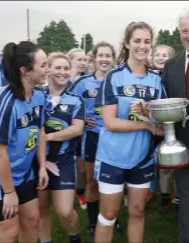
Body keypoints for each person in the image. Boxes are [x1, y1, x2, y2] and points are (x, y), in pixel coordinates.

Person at [0, 41, 49, 243]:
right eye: (43, 65)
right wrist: (9, 192)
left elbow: (39, 130)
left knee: (32, 219)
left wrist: (41, 167)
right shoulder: (5, 103)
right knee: (9, 233)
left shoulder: (39, 95)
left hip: (21, 172)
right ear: (25, 71)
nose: (47, 69)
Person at [94, 22, 164, 243]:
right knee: (108, 215)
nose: (142, 46)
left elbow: (160, 124)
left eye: (146, 41)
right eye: (137, 41)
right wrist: (145, 125)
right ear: (127, 43)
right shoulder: (114, 77)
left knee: (137, 212)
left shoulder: (156, 80)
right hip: (112, 158)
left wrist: (148, 114)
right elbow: (110, 122)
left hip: (142, 159)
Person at [69, 41, 122, 242]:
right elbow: (69, 102)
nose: (104, 59)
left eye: (108, 56)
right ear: (94, 58)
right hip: (92, 137)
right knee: (92, 181)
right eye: (101, 55)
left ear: (113, 59)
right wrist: (81, 119)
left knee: (114, 181)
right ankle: (93, 223)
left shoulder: (118, 80)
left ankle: (112, 218)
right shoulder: (82, 83)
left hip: (115, 137)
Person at [38, 52, 85, 243]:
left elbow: (77, 129)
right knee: (41, 209)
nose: (62, 72)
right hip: (37, 161)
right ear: (47, 68)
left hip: (63, 160)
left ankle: (74, 237)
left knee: (65, 212)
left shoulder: (75, 99)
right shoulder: (35, 96)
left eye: (66, 68)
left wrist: (48, 137)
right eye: (58, 67)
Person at [162, 8, 189, 243]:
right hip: (183, 145)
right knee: (187, 199)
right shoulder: (171, 65)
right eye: (184, 31)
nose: (188, 35)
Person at [148, 44, 177, 209]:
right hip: (151, 126)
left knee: (169, 164)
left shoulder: (174, 75)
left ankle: (173, 196)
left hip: (170, 124)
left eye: (164, 55)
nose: (160, 57)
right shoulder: (148, 76)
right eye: (157, 54)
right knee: (154, 161)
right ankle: (160, 193)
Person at [67, 48, 87, 209]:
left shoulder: (86, 80)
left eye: (84, 59)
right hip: (64, 127)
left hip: (82, 128)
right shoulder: (62, 79)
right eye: (78, 59)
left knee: (82, 167)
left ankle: (80, 192)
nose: (82, 62)